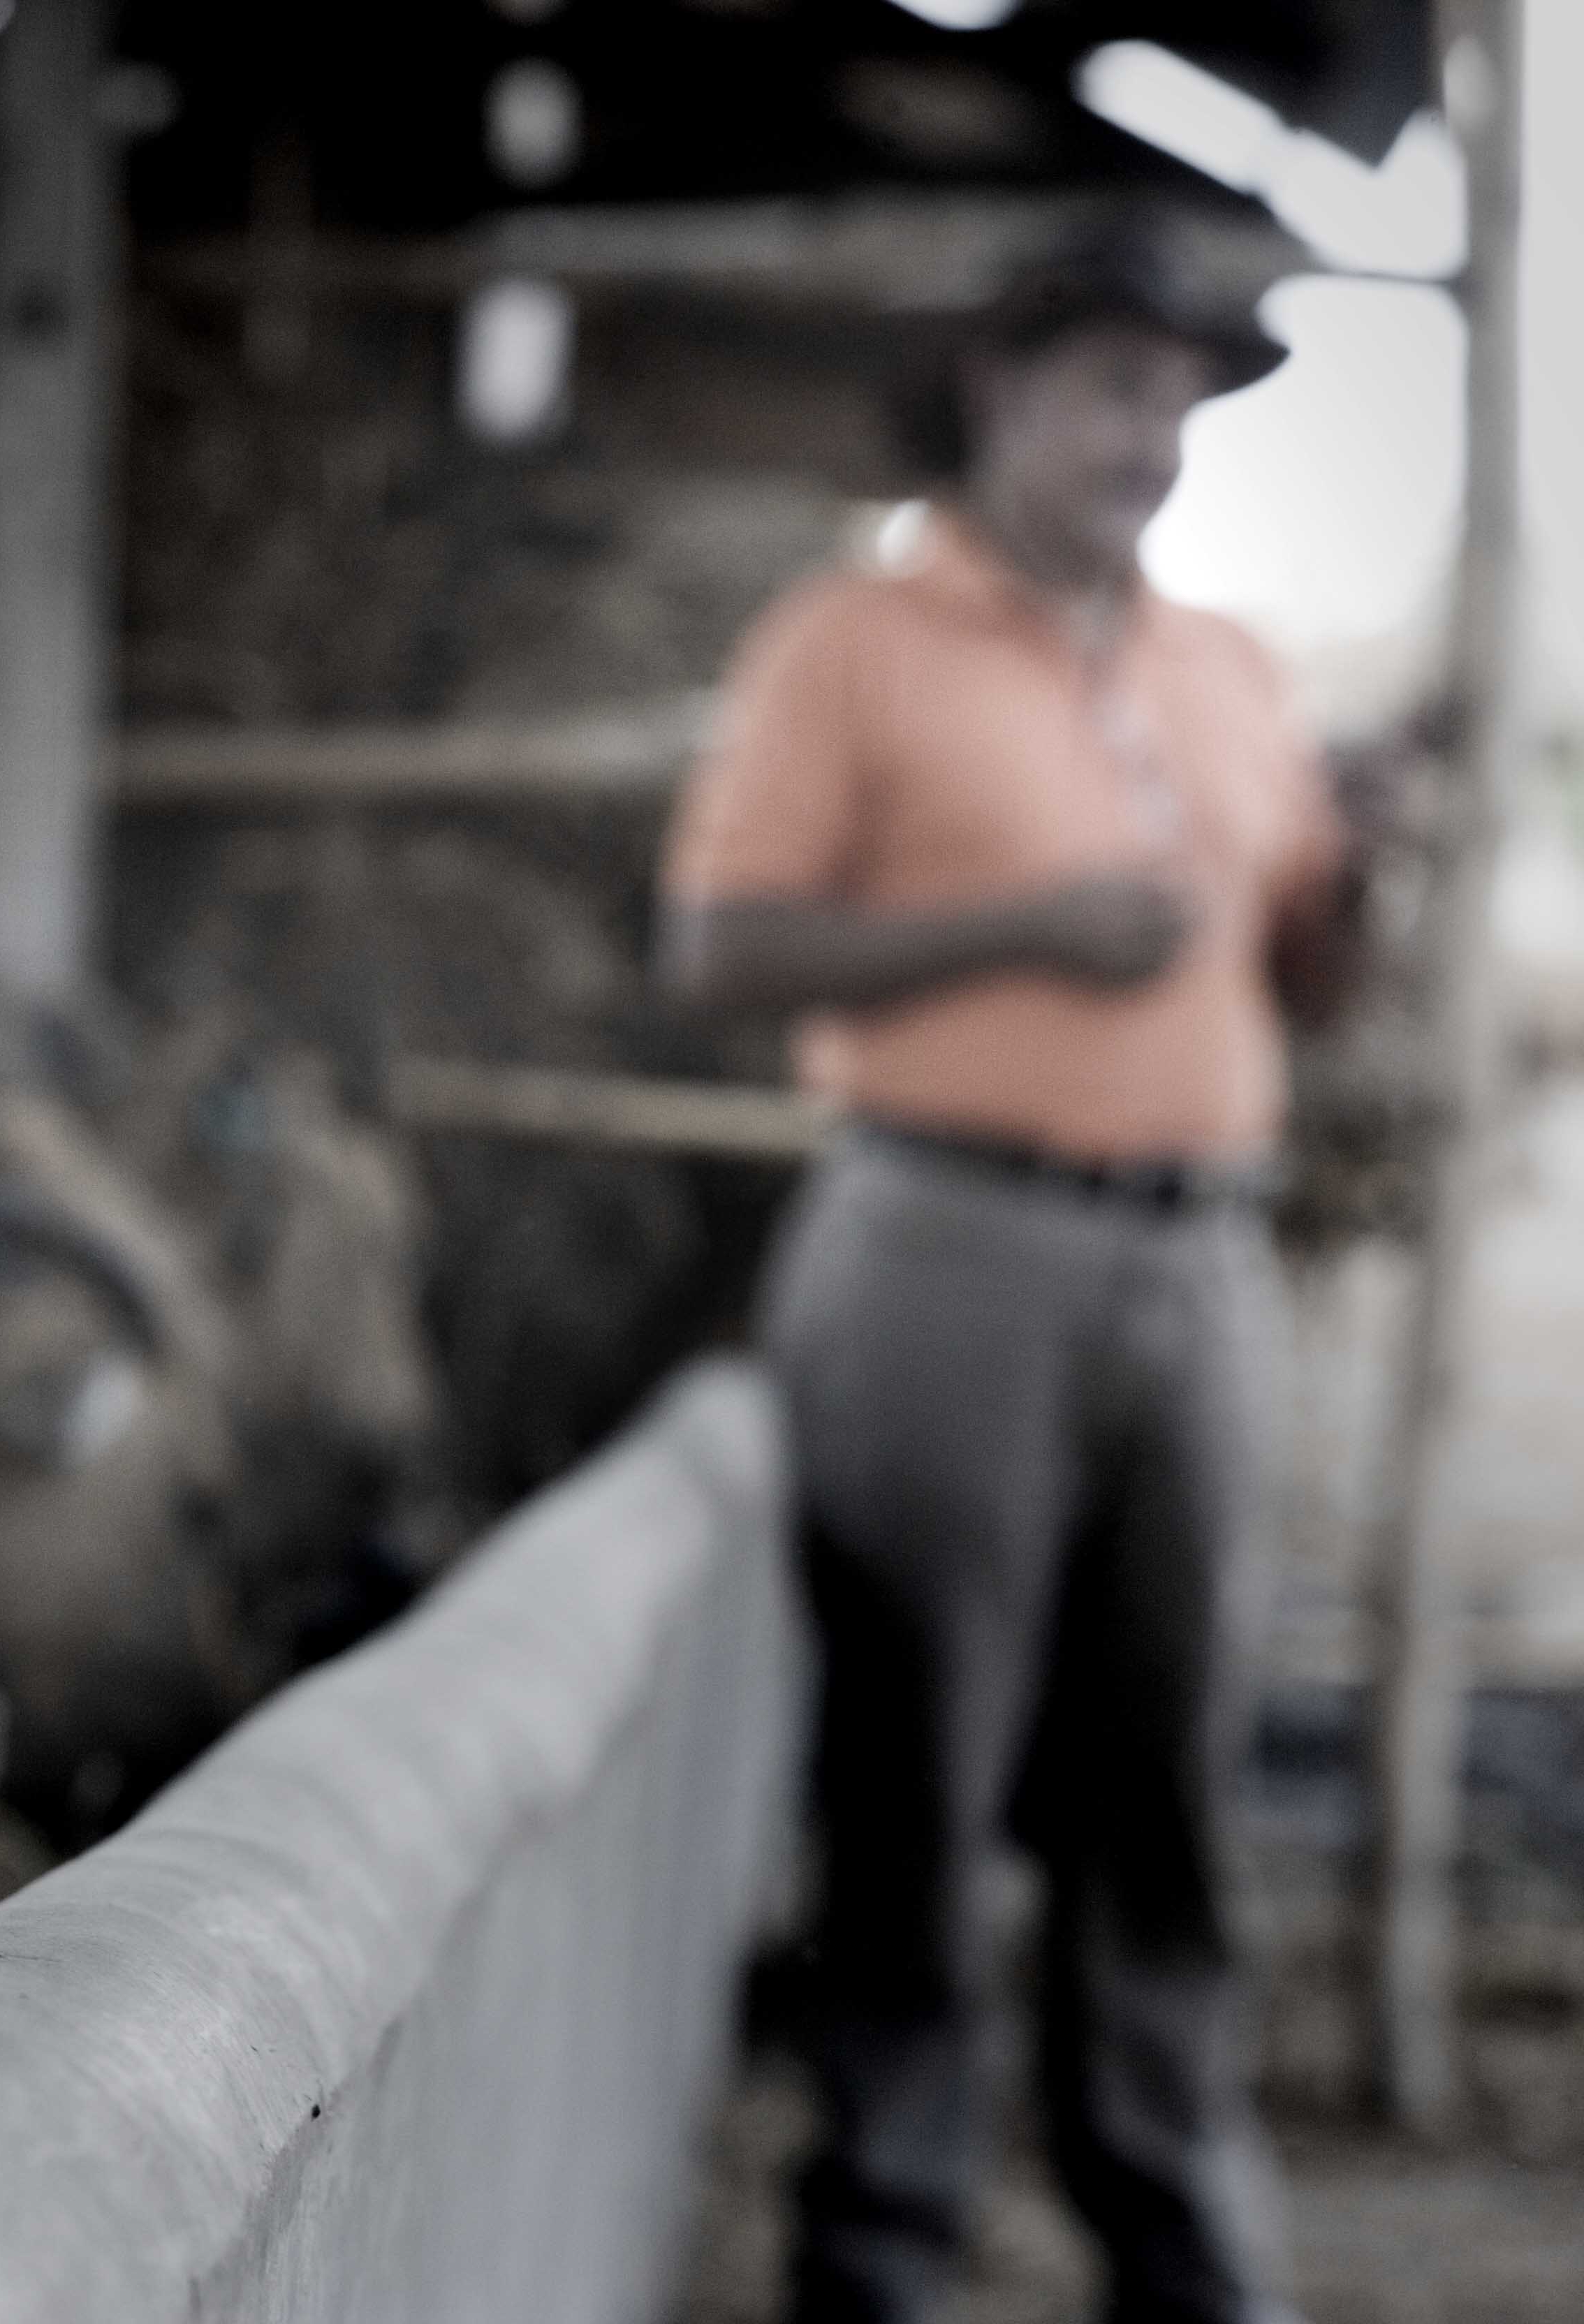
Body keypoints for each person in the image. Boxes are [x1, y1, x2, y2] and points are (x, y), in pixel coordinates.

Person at [659, 215, 1356, 2324]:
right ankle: (881, 2237)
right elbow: (721, 949)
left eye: (1176, 400)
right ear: (999, 391)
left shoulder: (1226, 667)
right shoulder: (849, 642)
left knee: (1168, 1783)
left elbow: (1303, 967)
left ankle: (1174, 2222)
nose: (1147, 437)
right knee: (918, 1779)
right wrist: (1022, 932)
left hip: (1193, 1260)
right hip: (945, 1240)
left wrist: (1370, 869)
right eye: (1111, 388)